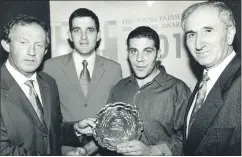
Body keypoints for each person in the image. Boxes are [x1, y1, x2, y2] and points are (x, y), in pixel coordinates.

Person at [0, 14, 96, 155]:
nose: (31, 52)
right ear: (6, 45)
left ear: (45, 51)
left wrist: (75, 128)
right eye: (23, 43)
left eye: (38, 45)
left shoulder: (48, 83)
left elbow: (50, 133)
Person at [42, 8, 122, 155]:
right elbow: (46, 119)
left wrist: (92, 147)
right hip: (64, 151)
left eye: (90, 30)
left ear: (98, 35)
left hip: (102, 151)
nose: (84, 37)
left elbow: (115, 118)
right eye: (77, 30)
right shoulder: (50, 67)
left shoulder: (114, 69)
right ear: (69, 35)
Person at [107, 26, 191, 155]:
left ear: (158, 54)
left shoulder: (177, 90)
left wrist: (152, 151)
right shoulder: (120, 87)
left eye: (147, 51)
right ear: (127, 53)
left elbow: (191, 136)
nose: (139, 59)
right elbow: (109, 128)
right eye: (134, 51)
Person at [181, 1, 241, 155]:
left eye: (208, 30)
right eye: (191, 34)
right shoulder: (204, 83)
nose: (198, 44)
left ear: (230, 34)